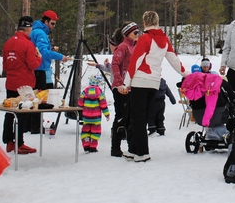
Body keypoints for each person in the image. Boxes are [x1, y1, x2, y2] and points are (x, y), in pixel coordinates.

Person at [123, 11, 188, 162]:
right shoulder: (164, 39)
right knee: (143, 117)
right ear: (157, 22)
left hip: (140, 81)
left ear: (144, 23)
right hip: (154, 83)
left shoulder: (145, 38)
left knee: (137, 117)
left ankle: (142, 152)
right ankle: (133, 149)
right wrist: (186, 74)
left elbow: (135, 61)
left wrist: (126, 83)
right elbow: (174, 59)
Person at [87, 22, 139, 157]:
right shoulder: (122, 47)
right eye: (135, 32)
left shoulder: (134, 47)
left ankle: (131, 146)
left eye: (138, 32)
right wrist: (119, 83)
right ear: (128, 34)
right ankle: (115, 147)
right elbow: (114, 65)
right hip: (120, 87)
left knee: (129, 117)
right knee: (121, 116)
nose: (138, 35)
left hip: (131, 86)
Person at [1, 16, 42, 155]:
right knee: (23, 113)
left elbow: (5, 65)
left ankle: (8, 140)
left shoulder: (8, 43)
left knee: (10, 111)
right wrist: (39, 57)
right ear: (28, 28)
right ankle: (19, 142)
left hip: (11, 82)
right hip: (24, 84)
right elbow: (33, 64)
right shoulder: (27, 44)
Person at [29, 10, 69, 134]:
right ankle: (35, 126)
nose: (53, 26)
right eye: (52, 23)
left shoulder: (36, 32)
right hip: (40, 69)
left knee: (37, 96)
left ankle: (33, 124)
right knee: (40, 98)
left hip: (40, 68)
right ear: (46, 21)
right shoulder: (40, 33)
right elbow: (43, 52)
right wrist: (60, 56)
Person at [78, 73, 111, 153]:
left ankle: (86, 146)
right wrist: (107, 114)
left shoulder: (85, 91)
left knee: (85, 131)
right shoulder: (100, 92)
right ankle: (93, 147)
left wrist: (82, 109)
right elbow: (103, 105)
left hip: (86, 117)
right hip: (96, 118)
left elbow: (80, 103)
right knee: (95, 132)